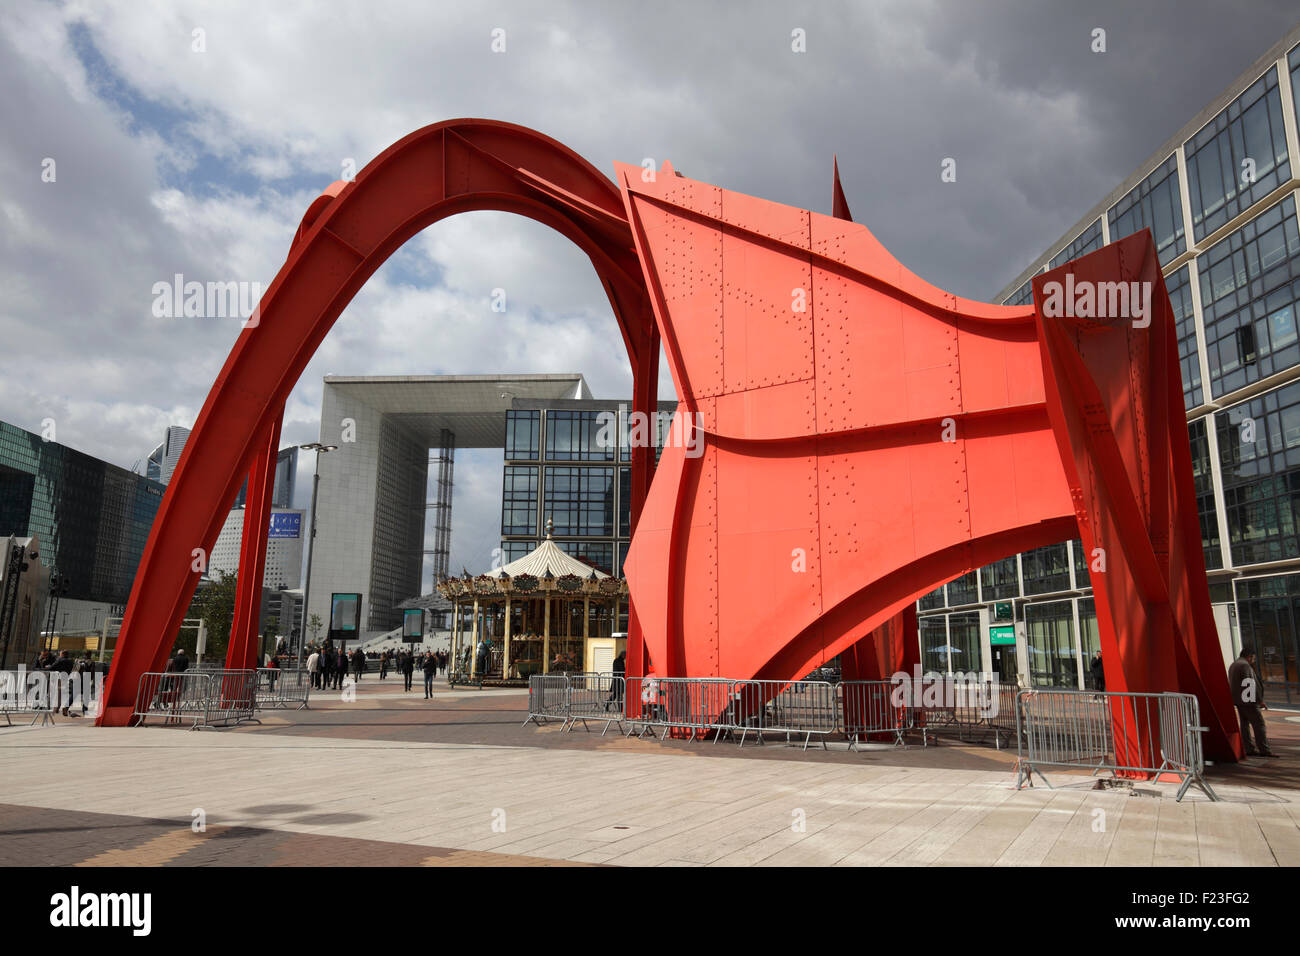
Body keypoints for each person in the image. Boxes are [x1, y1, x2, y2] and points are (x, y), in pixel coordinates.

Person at [1228, 645, 1277, 758]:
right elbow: (1249, 684)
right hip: (1248, 701)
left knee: (1244, 725)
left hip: (1239, 701)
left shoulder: (1234, 665)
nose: (1254, 661)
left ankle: (1249, 747)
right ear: (1249, 657)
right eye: (1254, 658)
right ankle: (1264, 749)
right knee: (1259, 725)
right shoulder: (1245, 666)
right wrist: (1259, 701)